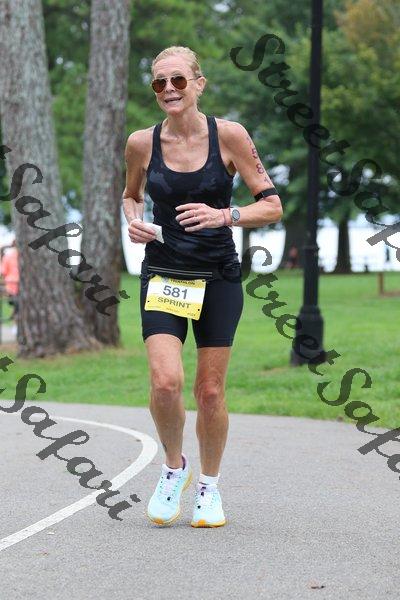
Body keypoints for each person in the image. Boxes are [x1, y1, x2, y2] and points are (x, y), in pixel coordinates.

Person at [122, 46, 282, 528]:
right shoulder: (141, 143)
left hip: (217, 276)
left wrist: (224, 215)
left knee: (209, 391)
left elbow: (271, 205)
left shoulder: (229, 136)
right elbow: (131, 196)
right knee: (165, 382)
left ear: (199, 83)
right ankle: (174, 469)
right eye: (159, 82)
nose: (169, 89)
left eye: (178, 80)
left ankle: (209, 487)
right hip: (165, 274)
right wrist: (134, 221)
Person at [0, 238, 19, 323]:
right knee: (18, 306)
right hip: (21, 285)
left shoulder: (8, 256)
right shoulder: (26, 256)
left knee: (15, 305)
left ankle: (15, 320)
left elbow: (3, 272)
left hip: (11, 286)